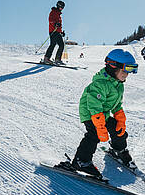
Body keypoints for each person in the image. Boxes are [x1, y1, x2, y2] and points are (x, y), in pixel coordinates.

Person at [59, 49, 138, 178]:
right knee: (94, 134)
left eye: (130, 71)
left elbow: (117, 104)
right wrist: (100, 126)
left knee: (118, 130)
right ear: (113, 67)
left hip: (103, 114)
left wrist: (120, 118)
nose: (127, 74)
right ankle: (81, 161)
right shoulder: (100, 84)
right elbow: (94, 106)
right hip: (90, 113)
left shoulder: (118, 84)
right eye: (125, 70)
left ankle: (119, 150)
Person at [41, 0, 66, 65]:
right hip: (53, 31)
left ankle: (57, 59)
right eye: (61, 7)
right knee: (53, 44)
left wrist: (61, 32)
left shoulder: (58, 14)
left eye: (63, 7)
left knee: (61, 45)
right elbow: (50, 20)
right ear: (58, 6)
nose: (62, 9)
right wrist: (55, 24)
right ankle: (46, 58)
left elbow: (59, 25)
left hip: (57, 32)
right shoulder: (53, 12)